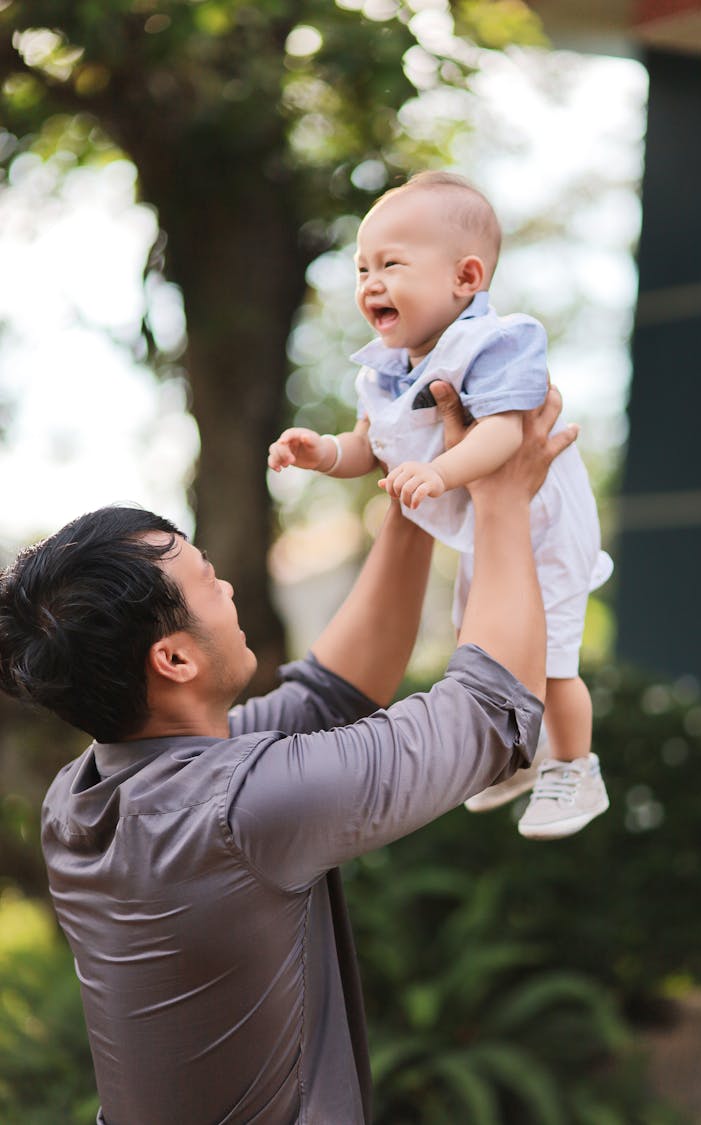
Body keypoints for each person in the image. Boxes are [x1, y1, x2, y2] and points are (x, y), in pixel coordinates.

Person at [0, 385, 573, 1125]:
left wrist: (417, 488)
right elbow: (494, 710)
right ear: (173, 659)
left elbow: (332, 694)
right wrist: (501, 495)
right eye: (209, 581)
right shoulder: (241, 809)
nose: (231, 587)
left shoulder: (84, 795)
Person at [268, 171, 613, 840]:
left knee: (554, 654)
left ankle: (576, 766)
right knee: (481, 641)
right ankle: (515, 756)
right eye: (362, 267)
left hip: (544, 522)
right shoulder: (384, 369)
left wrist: (440, 470)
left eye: (391, 263)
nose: (370, 281)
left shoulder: (497, 342)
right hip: (487, 528)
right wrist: (324, 454)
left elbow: (505, 434)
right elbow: (370, 447)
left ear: (466, 277)